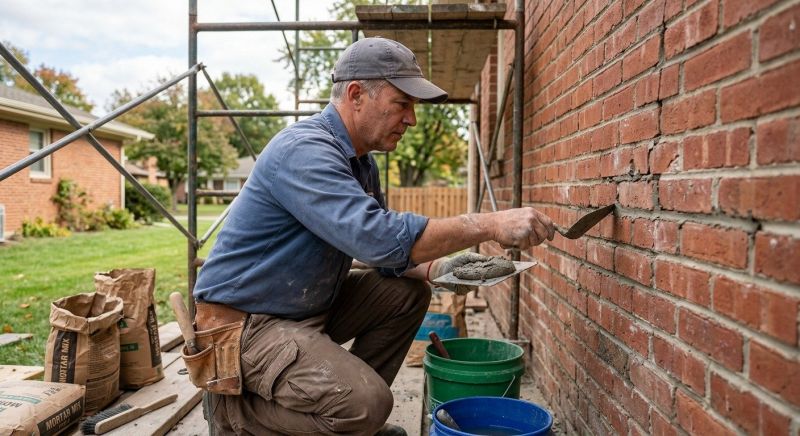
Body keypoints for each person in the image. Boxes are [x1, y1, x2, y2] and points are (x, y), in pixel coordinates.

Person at [192, 37, 554, 435]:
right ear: (356, 95)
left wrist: (437, 269)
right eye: (402, 104)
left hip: (300, 312)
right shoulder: (304, 150)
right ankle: (240, 413)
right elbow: (379, 239)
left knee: (406, 295)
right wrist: (489, 224)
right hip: (245, 327)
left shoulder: (361, 163)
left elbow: (381, 253)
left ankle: (343, 419)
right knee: (370, 404)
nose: (411, 119)